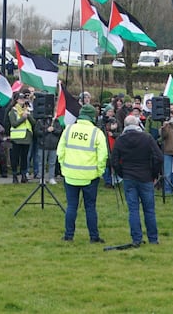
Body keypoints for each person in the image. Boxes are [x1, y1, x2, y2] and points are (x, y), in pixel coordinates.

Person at [56, 103, 109, 243]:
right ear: (93, 117)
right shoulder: (97, 133)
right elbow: (103, 155)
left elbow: (60, 151)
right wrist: (100, 171)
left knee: (71, 206)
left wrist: (63, 168)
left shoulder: (68, 129)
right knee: (90, 207)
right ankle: (94, 236)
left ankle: (68, 236)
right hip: (90, 176)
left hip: (70, 174)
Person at [112, 114, 163, 247]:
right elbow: (159, 157)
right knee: (149, 210)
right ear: (138, 124)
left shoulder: (120, 140)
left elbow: (114, 160)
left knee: (133, 210)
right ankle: (153, 238)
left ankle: (136, 239)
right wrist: (153, 174)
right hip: (146, 177)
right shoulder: (147, 138)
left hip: (129, 177)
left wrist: (122, 173)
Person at [8, 94, 33, 183]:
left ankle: (23, 175)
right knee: (15, 158)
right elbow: (14, 124)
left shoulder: (27, 110)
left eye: (23, 99)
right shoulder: (13, 111)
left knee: (24, 158)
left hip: (26, 138)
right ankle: (14, 176)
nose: (22, 100)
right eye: (20, 99)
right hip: (16, 138)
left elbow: (33, 122)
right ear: (17, 100)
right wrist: (23, 118)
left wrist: (28, 115)